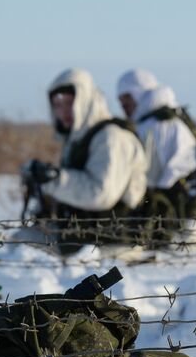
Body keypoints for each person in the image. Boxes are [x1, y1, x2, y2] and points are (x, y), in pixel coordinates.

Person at [20, 67, 147, 254]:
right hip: (83, 241)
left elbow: (101, 194)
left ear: (85, 100)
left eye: (69, 102)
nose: (63, 111)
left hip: (115, 248)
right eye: (57, 105)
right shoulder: (78, 140)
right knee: (21, 242)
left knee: (23, 247)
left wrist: (54, 179)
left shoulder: (111, 138)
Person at [132, 85, 196, 244]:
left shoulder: (143, 128)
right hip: (185, 204)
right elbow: (187, 162)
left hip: (150, 203)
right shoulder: (180, 127)